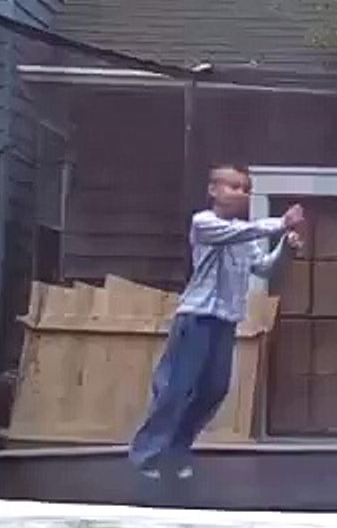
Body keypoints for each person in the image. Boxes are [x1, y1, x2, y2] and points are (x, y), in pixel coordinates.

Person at [129, 164, 305, 480]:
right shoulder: (204, 223)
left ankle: (177, 451)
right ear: (213, 191)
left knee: (214, 389)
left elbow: (264, 269)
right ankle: (147, 455)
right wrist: (280, 223)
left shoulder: (246, 234)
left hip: (225, 321)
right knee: (176, 388)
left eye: (245, 188)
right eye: (233, 186)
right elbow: (240, 233)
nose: (241, 193)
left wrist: (285, 248)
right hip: (196, 316)